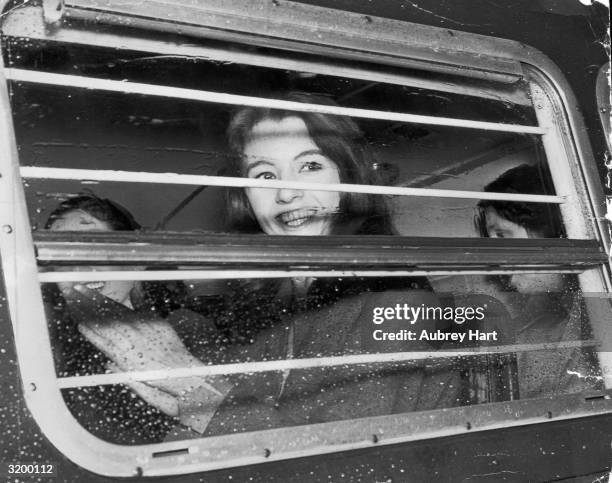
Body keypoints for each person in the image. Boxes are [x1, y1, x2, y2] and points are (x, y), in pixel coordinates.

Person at [71, 92, 462, 437]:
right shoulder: (277, 301)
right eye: (265, 174)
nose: (286, 192)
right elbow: (263, 406)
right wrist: (178, 393)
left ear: (350, 178)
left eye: (310, 166)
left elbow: (341, 460)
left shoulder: (398, 303)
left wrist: (191, 385)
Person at [43, 195, 217, 444]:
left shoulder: (188, 329)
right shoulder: (45, 350)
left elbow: (237, 423)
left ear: (134, 258)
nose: (79, 266)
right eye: (60, 255)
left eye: (94, 247)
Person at [476, 164, 601, 398]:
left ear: (549, 232)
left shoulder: (597, 313)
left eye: (502, 235)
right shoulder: (541, 318)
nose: (496, 256)